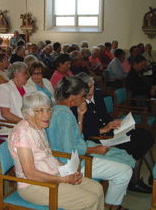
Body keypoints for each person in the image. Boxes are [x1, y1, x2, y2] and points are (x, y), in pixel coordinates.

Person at [46, 76, 133, 210]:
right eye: (82, 95)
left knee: (119, 160)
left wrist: (80, 116)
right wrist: (93, 150)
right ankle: (109, 207)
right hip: (71, 164)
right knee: (124, 171)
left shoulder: (58, 108)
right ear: (72, 96)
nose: (85, 97)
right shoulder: (64, 115)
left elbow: (76, 137)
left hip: (73, 156)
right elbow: (68, 151)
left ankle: (110, 204)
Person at [8, 91, 104, 210]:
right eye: (41, 111)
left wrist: (68, 172)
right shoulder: (22, 134)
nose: (47, 115)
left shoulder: (39, 127)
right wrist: (62, 179)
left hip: (53, 175)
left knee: (97, 189)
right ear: (28, 114)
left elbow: (48, 155)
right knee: (90, 200)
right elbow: (30, 173)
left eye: (49, 110)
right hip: (34, 186)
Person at [73, 73, 155, 194]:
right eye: (86, 88)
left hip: (108, 132)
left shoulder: (98, 94)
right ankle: (136, 181)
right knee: (138, 141)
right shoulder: (77, 104)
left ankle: (152, 175)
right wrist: (103, 130)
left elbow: (105, 117)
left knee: (143, 134)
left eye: (91, 86)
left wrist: (114, 122)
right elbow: (81, 132)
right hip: (96, 138)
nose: (89, 91)